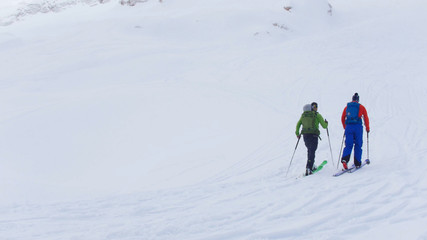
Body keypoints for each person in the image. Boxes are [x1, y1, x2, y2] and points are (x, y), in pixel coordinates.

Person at [295, 102, 328, 175]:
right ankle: (309, 167)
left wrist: (297, 134)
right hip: (314, 135)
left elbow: (298, 124)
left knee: (309, 150)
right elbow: (324, 126)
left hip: (305, 135)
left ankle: (311, 165)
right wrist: (326, 123)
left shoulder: (303, 116)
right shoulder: (317, 115)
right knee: (312, 150)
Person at [340, 93, 370, 169]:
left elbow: (342, 117)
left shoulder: (347, 107)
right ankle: (357, 162)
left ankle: (344, 159)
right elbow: (366, 117)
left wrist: (345, 127)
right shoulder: (361, 107)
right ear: (358, 100)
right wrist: (367, 128)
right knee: (358, 144)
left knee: (348, 144)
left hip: (349, 127)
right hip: (358, 127)